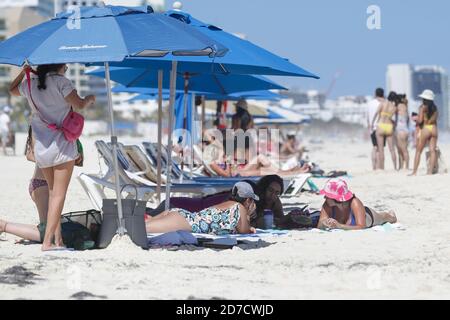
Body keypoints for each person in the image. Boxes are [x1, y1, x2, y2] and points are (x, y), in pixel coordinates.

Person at [9, 64, 95, 251]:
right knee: (58, 195)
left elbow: (12, 90)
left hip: (42, 147)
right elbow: (79, 105)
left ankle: (58, 241)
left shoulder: (30, 84)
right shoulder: (61, 82)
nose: (67, 68)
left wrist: (24, 73)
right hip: (62, 145)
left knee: (52, 193)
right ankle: (47, 243)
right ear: (58, 66)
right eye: (66, 66)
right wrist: (89, 99)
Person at [145, 181, 258, 235]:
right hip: (186, 222)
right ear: (248, 200)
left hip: (182, 217)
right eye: (252, 200)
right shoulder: (239, 208)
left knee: (140, 226)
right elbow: (244, 231)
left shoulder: (227, 204)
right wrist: (248, 215)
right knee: (142, 229)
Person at [317, 178, 397, 231]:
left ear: (336, 198)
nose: (324, 197)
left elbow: (361, 226)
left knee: (383, 218)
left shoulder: (355, 203)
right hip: (354, 218)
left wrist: (339, 226)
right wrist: (324, 223)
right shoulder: (328, 204)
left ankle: (391, 215)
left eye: (328, 196)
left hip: (368, 217)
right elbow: (319, 225)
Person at [410, 90, 439, 176]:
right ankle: (430, 172)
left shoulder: (422, 107)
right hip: (434, 128)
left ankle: (414, 172)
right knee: (432, 151)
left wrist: (415, 119)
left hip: (426, 128)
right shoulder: (435, 108)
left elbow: (420, 120)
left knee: (418, 151)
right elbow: (435, 120)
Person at [372, 91, 398, 170]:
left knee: (381, 149)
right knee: (392, 149)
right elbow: (394, 120)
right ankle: (395, 167)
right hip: (389, 126)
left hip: (381, 125)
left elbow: (376, 113)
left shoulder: (383, 103)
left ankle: (382, 168)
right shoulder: (394, 107)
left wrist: (372, 123)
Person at [367, 88, 385, 170]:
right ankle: (378, 166)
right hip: (380, 127)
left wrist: (369, 126)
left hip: (371, 127)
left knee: (374, 147)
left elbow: (367, 117)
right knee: (379, 148)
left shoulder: (370, 103)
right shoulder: (383, 103)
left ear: (375, 94)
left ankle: (373, 166)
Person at [395, 94, 410, 170]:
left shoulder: (399, 106)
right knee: (403, 149)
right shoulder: (406, 107)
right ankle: (403, 166)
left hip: (400, 130)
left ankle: (404, 166)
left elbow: (391, 113)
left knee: (401, 150)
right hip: (406, 129)